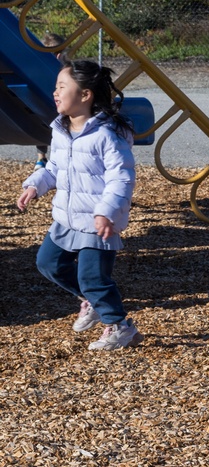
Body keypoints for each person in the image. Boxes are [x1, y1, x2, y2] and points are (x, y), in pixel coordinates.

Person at [16, 59, 142, 351]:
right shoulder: (60, 129)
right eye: (56, 87)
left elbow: (121, 178)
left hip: (98, 220)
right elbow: (55, 168)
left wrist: (106, 211)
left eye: (62, 87)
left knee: (93, 276)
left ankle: (121, 327)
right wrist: (36, 184)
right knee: (49, 264)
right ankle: (92, 301)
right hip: (67, 216)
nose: (55, 93)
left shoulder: (107, 135)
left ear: (85, 96)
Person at [33, 32, 66, 169]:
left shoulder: (35, 69)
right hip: (58, 112)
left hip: (36, 112)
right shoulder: (65, 70)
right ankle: (51, 158)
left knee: (38, 114)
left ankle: (41, 158)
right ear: (60, 55)